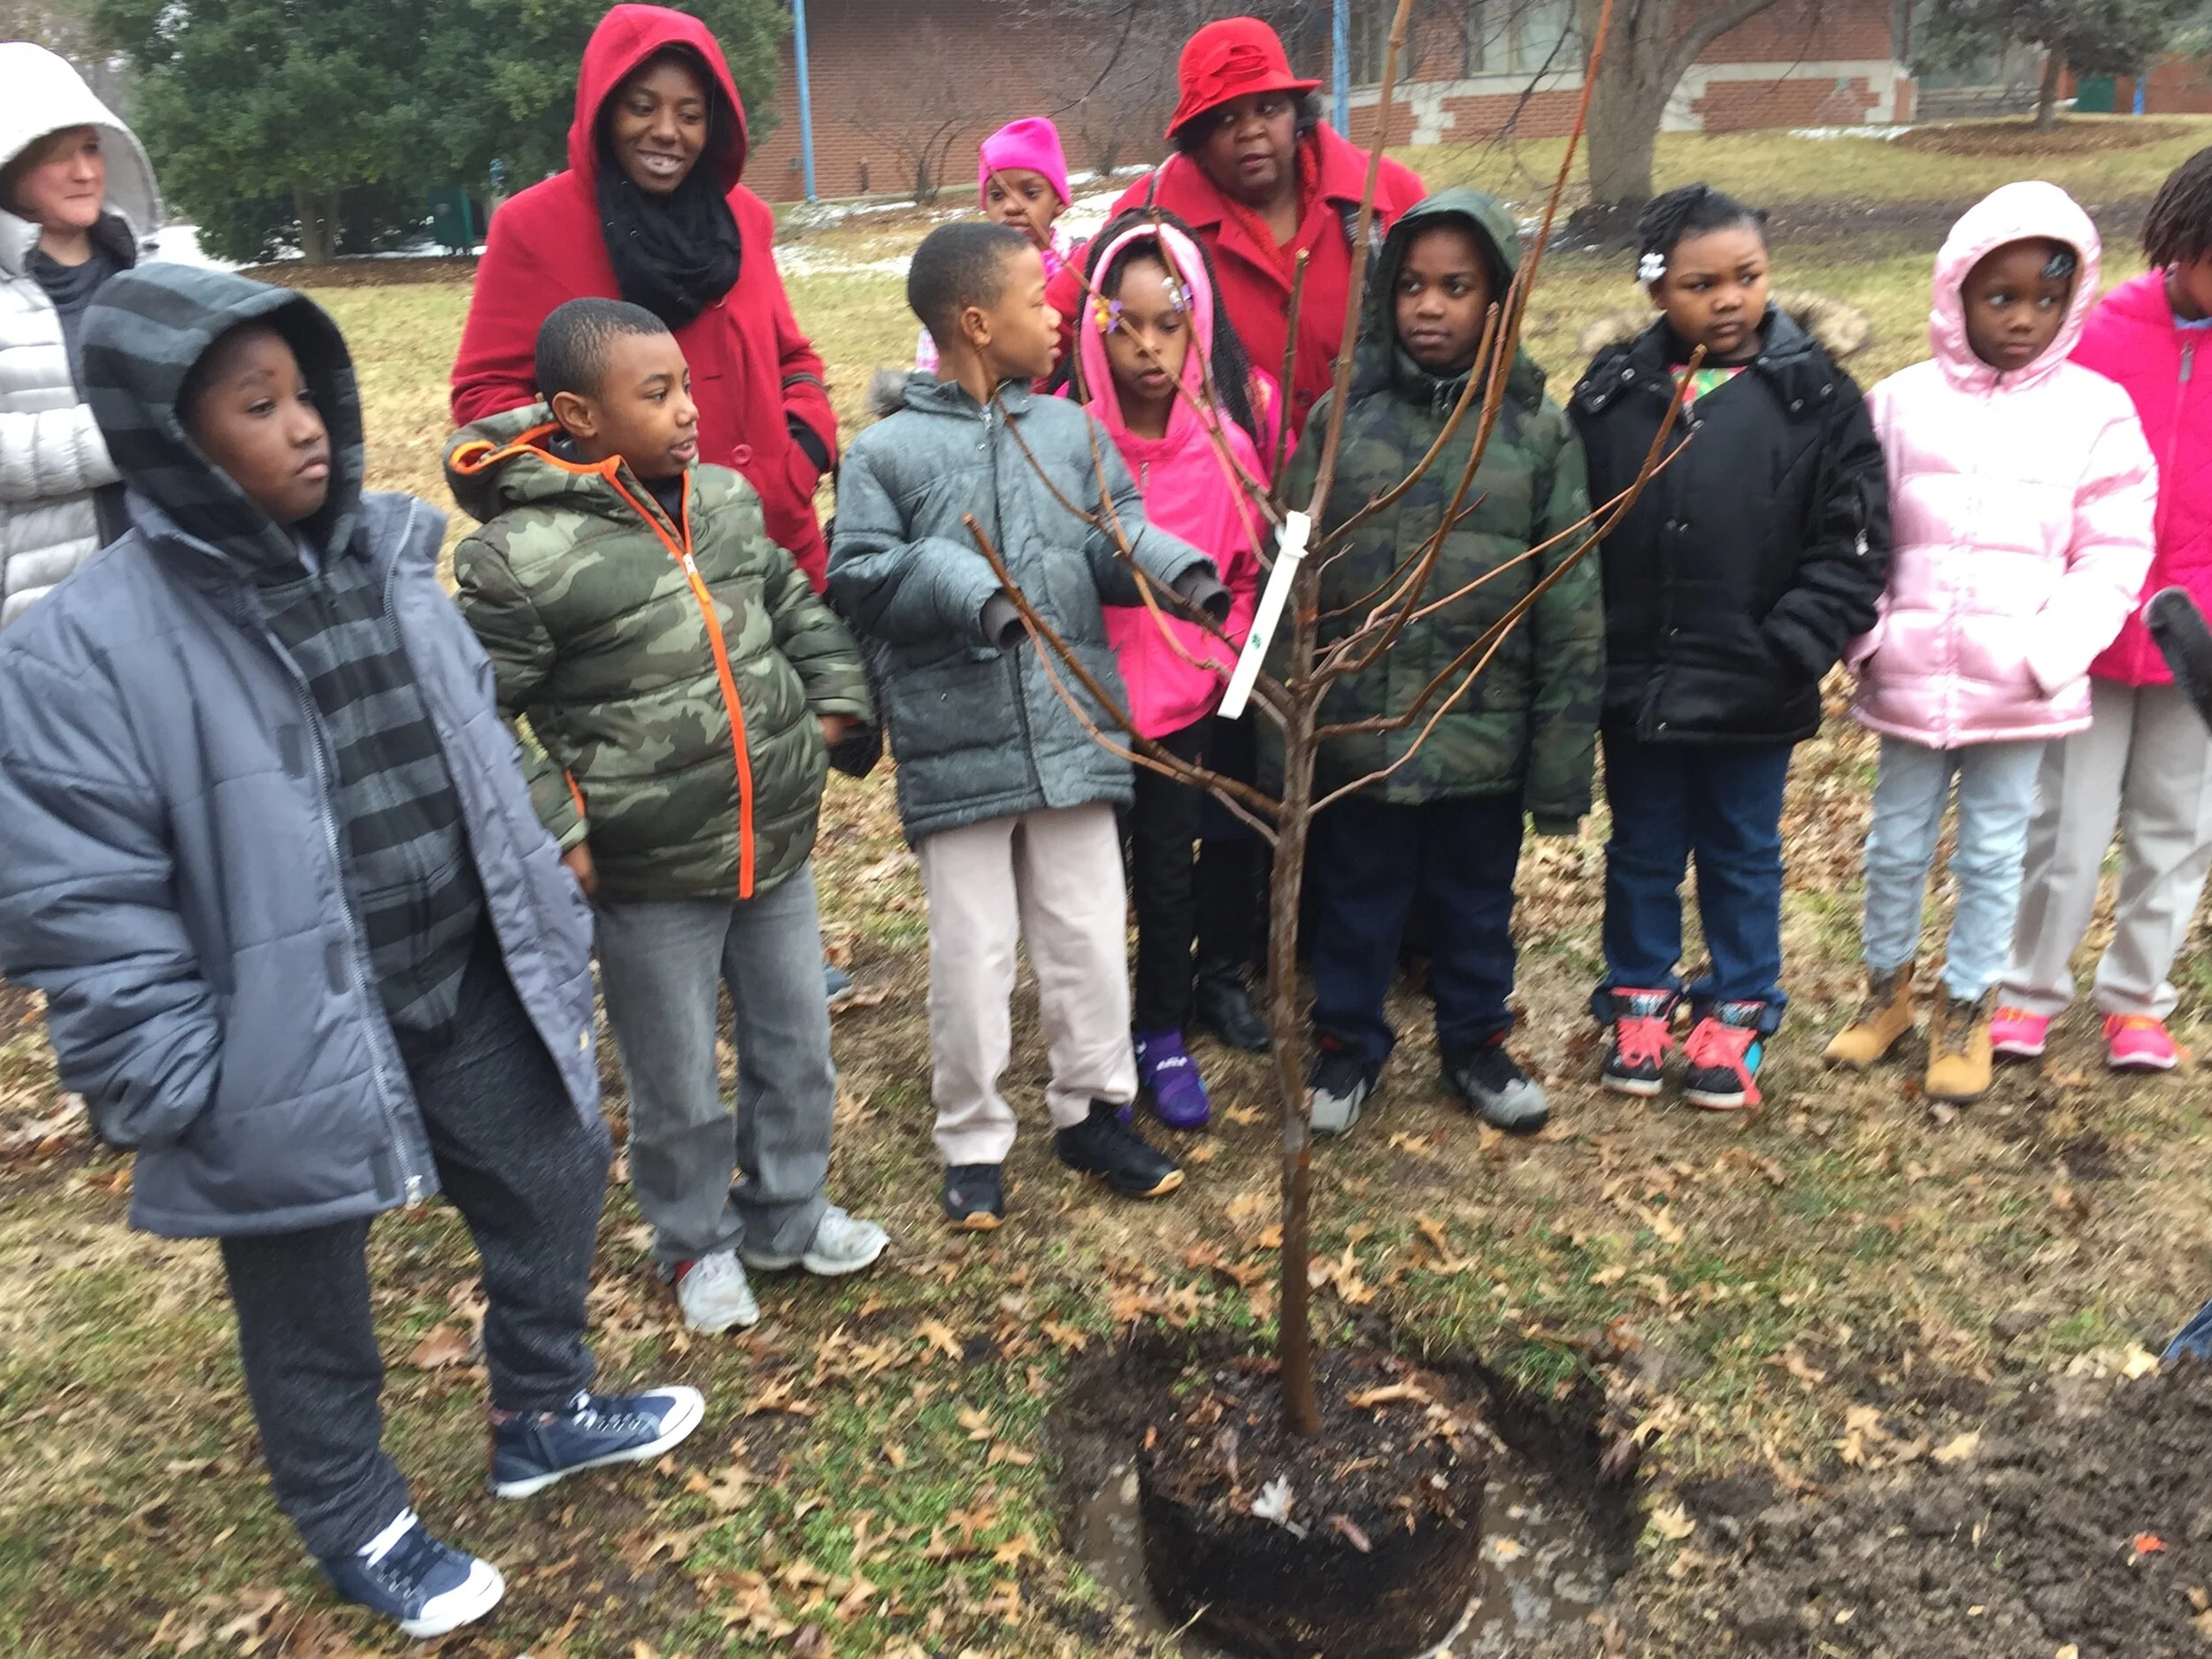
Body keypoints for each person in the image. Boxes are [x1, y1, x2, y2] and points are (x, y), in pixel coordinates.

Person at [0, 264, 703, 1639]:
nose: (307, 423)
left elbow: (476, 759)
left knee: (555, 1166)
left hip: (457, 966)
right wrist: (168, 1066)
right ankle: (353, 1509)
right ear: (171, 441)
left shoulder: (393, 558)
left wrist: (542, 908)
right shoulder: (82, 652)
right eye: (258, 406)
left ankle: (541, 1405)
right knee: (307, 1296)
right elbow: (80, 895)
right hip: (279, 1026)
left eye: (307, 392)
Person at [448, 297, 888, 1336]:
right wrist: (560, 823)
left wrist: (835, 701)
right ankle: (694, 1243)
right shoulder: (522, 558)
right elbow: (475, 719)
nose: (689, 410)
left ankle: (788, 1212)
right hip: (646, 874)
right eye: (658, 394)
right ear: (577, 413)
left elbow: (789, 603)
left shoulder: (726, 501)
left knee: (796, 1043)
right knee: (678, 1077)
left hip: (771, 843)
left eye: (687, 384)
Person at [830, 221, 1225, 1229]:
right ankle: (971, 1135)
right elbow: (861, 578)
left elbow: (1113, 528)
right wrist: (965, 584)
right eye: (1036, 300)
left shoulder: (1071, 434)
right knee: (972, 952)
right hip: (955, 743)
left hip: (1072, 731)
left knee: (1089, 935)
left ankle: (1093, 1110)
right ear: (976, 321)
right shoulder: (884, 454)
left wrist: (1171, 567)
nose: (1057, 317)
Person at [1824, 183, 2156, 1104]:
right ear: (1955, 292)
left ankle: (1964, 1007)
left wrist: (2050, 653)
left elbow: (2113, 551)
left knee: (1994, 851)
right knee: (1894, 842)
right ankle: (1884, 992)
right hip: (1908, 677)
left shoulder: (2096, 412)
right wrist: (1869, 635)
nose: (2022, 318)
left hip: (2018, 691)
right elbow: (1855, 529)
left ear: (2073, 302)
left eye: (2046, 300)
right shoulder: (1897, 404)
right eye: (1999, 296)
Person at [1284, 188, 1604, 1138]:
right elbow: (1286, 576)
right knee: (1356, 899)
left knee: (1474, 904)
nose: (1429, 307)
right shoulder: (1340, 421)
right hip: (1358, 735)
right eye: (1412, 286)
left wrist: (1557, 764)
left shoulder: (1535, 433)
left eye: (1456, 287)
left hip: (1482, 738)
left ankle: (1475, 1040)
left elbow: (1570, 604)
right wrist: (1280, 732)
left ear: (1496, 299)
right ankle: (1344, 1044)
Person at [1572, 184, 1890, 1111]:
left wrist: (1793, 642)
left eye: (1746, 277)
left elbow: (1855, 534)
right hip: (1640, 686)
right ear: (1655, 290)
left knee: (1742, 855)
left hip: (1756, 687)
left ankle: (1737, 1011)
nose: (1726, 300)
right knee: (1641, 851)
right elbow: (1573, 532)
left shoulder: (1818, 398)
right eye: (1698, 283)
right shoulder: (1612, 396)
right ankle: (1638, 1002)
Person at [452, 5, 836, 589]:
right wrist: (593, 482)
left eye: (690, 114)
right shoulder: (532, 228)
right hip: (634, 572)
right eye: (641, 107)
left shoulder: (744, 219)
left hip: (776, 544)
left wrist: (799, 458)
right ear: (603, 111)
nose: (666, 131)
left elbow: (792, 358)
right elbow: (485, 397)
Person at [1993, 147, 2212, 1073]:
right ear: (2179, 238)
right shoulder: (2094, 328)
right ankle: (2028, 988)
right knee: (2064, 824)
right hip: (2087, 620)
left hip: (2197, 640)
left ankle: (2136, 998)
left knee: (2176, 822)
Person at [1074, 212, 1271, 1127]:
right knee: (1084, 886)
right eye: (1127, 325)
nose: (1148, 348)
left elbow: (1242, 575)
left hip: (1184, 709)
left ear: (1198, 328)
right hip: (1086, 708)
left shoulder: (1228, 447)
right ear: (1096, 329)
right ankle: (1095, 1036)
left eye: (1169, 323)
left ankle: (1161, 1029)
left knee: (1167, 875)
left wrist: (1218, 657)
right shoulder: (1068, 443)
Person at [1077, 16, 1425, 434]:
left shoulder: (1387, 194)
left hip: (1386, 472)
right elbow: (1064, 312)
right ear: (1197, 145)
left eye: (1268, 108)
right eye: (1225, 120)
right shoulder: (1147, 215)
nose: (1251, 130)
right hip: (1233, 484)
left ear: (1296, 117)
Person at [0, 42, 161, 623]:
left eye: (92, 148)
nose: (86, 171)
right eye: (57, 155)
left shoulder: (151, 277)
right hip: (40, 614)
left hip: (168, 590)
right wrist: (125, 435)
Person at [918, 117, 1081, 373]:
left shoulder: (1077, 268)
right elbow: (940, 358)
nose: (1012, 207)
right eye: (997, 195)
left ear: (1059, 201)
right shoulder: (971, 273)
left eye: (1031, 193)